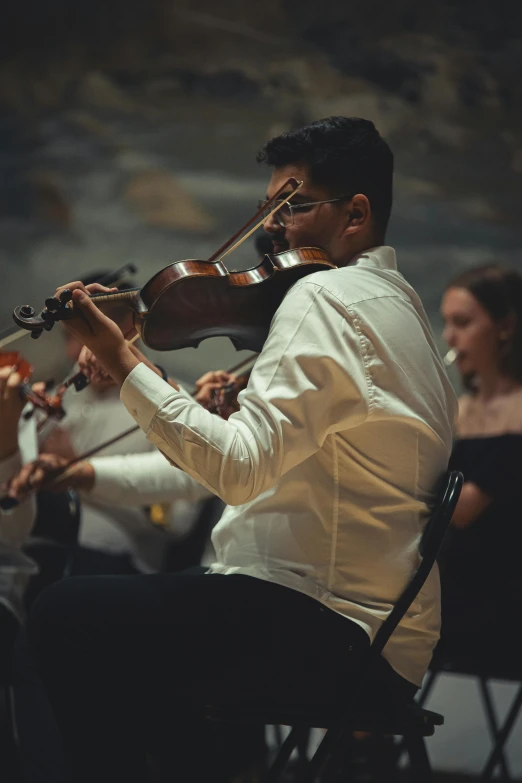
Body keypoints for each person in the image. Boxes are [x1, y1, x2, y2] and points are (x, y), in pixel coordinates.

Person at [25, 116, 457, 783]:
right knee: (134, 629)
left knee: (65, 614)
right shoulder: (399, 307)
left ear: (357, 213)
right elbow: (253, 462)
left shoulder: (326, 295)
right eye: (266, 208)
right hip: (374, 638)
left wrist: (119, 353)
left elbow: (237, 469)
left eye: (291, 205)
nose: (270, 228)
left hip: (327, 624)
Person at [440, 263, 522, 666]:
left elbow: (461, 510)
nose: (449, 338)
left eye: (463, 322)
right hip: (449, 586)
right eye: (446, 323)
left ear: (505, 327)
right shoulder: (458, 412)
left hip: (499, 597)